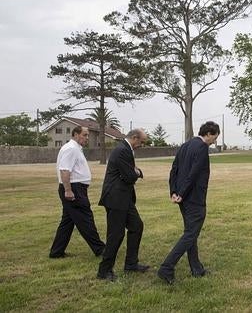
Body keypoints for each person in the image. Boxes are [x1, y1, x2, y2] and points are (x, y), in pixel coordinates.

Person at [157, 121, 220, 284]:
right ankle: (166, 268)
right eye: (215, 137)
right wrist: (181, 193)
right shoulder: (201, 147)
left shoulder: (185, 146)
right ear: (209, 133)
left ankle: (196, 269)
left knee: (191, 233)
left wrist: (174, 192)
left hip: (183, 198)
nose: (214, 141)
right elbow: (193, 174)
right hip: (194, 199)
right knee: (191, 234)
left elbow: (174, 169)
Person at [96, 128, 149, 281]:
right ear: (134, 138)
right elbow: (129, 176)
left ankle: (131, 264)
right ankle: (104, 271)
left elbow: (129, 173)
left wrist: (134, 172)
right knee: (116, 234)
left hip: (124, 198)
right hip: (115, 198)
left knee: (136, 226)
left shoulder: (126, 149)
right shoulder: (122, 151)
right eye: (141, 141)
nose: (142, 145)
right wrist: (137, 173)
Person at [49, 126, 106, 258]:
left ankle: (56, 252)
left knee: (67, 222)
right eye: (85, 135)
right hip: (74, 188)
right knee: (86, 219)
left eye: (87, 135)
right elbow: (64, 170)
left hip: (76, 188)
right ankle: (100, 249)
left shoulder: (74, 149)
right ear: (75, 134)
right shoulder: (71, 149)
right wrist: (68, 190)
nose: (87, 138)